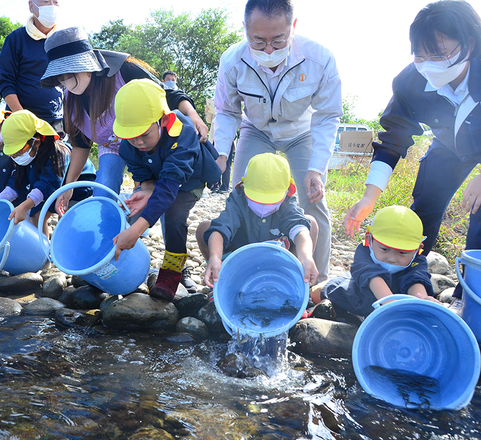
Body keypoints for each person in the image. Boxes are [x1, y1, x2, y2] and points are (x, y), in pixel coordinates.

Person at [344, 0, 481, 311]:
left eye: (439, 54)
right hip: (449, 146)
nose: (428, 63)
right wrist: (369, 196)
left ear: (470, 44)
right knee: (424, 210)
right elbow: (393, 139)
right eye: (421, 55)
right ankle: (403, 279)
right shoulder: (411, 82)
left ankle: (468, 301)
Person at [213, 0, 342, 283]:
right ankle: (241, 274)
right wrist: (221, 153)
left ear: (293, 27)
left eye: (277, 40)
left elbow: (328, 115)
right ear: (245, 30)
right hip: (256, 130)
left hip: (302, 131)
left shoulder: (319, 58)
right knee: (241, 197)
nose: (269, 49)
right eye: (258, 41)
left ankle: (315, 282)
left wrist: (316, 169)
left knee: (313, 199)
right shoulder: (232, 61)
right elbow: (226, 111)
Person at [39, 26, 209, 210]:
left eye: (72, 74)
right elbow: (81, 144)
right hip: (112, 147)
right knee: (102, 194)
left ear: (88, 64)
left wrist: (192, 114)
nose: (69, 84)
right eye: (61, 79)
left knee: (163, 200)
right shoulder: (70, 101)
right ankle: (107, 233)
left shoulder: (123, 71)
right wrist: (68, 185)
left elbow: (167, 95)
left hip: (148, 143)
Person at [111, 79, 221, 301]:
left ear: (163, 121)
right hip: (161, 178)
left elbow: (170, 186)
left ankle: (172, 272)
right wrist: (147, 189)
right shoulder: (128, 145)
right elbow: (145, 178)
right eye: (131, 137)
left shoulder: (184, 133)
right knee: (133, 210)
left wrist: (136, 231)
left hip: (190, 179)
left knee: (174, 214)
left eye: (144, 134)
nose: (139, 142)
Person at [196, 153, 318, 288]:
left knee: (310, 224)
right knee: (204, 228)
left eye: (272, 201)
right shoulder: (238, 199)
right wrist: (215, 257)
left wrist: (306, 257)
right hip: (241, 260)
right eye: (256, 199)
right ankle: (223, 280)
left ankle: (294, 281)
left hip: (279, 263)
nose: (264, 206)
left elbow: (300, 230)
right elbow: (221, 229)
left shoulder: (287, 204)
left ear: (287, 192)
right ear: (242, 187)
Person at [319, 206, 437, 318]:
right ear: (369, 240)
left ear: (418, 249)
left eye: (402, 252)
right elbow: (372, 276)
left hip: (398, 299)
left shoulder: (417, 260)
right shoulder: (364, 253)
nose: (392, 258)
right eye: (385, 249)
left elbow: (415, 279)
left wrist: (422, 302)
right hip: (359, 295)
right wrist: (390, 304)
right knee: (323, 294)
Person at [0, 110, 73, 238]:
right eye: (12, 153)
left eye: (19, 150)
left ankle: (60, 252)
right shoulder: (27, 156)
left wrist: (24, 206)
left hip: (74, 189)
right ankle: (41, 254)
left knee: (67, 223)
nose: (16, 156)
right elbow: (16, 183)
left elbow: (48, 184)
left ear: (36, 141)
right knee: (37, 216)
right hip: (50, 190)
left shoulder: (58, 153)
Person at [0, 0, 64, 134]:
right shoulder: (16, 39)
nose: (52, 6)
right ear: (31, 6)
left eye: (55, 2)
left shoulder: (63, 40)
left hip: (57, 121)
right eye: (46, 1)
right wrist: (22, 117)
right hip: (21, 122)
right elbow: (5, 83)